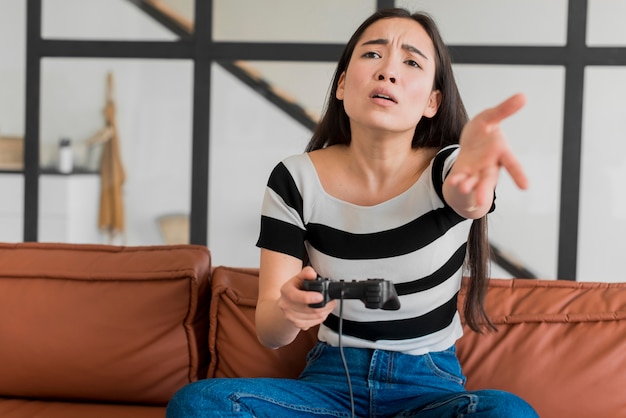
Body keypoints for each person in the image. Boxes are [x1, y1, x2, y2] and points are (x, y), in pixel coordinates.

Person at [166, 7, 539, 417]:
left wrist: (476, 167)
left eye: (411, 61)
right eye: (372, 55)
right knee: (199, 403)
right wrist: (291, 310)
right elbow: (270, 334)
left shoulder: (447, 169)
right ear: (342, 84)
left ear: (433, 101)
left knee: (507, 411)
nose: (388, 72)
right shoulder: (295, 179)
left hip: (428, 388)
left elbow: (469, 196)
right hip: (330, 385)